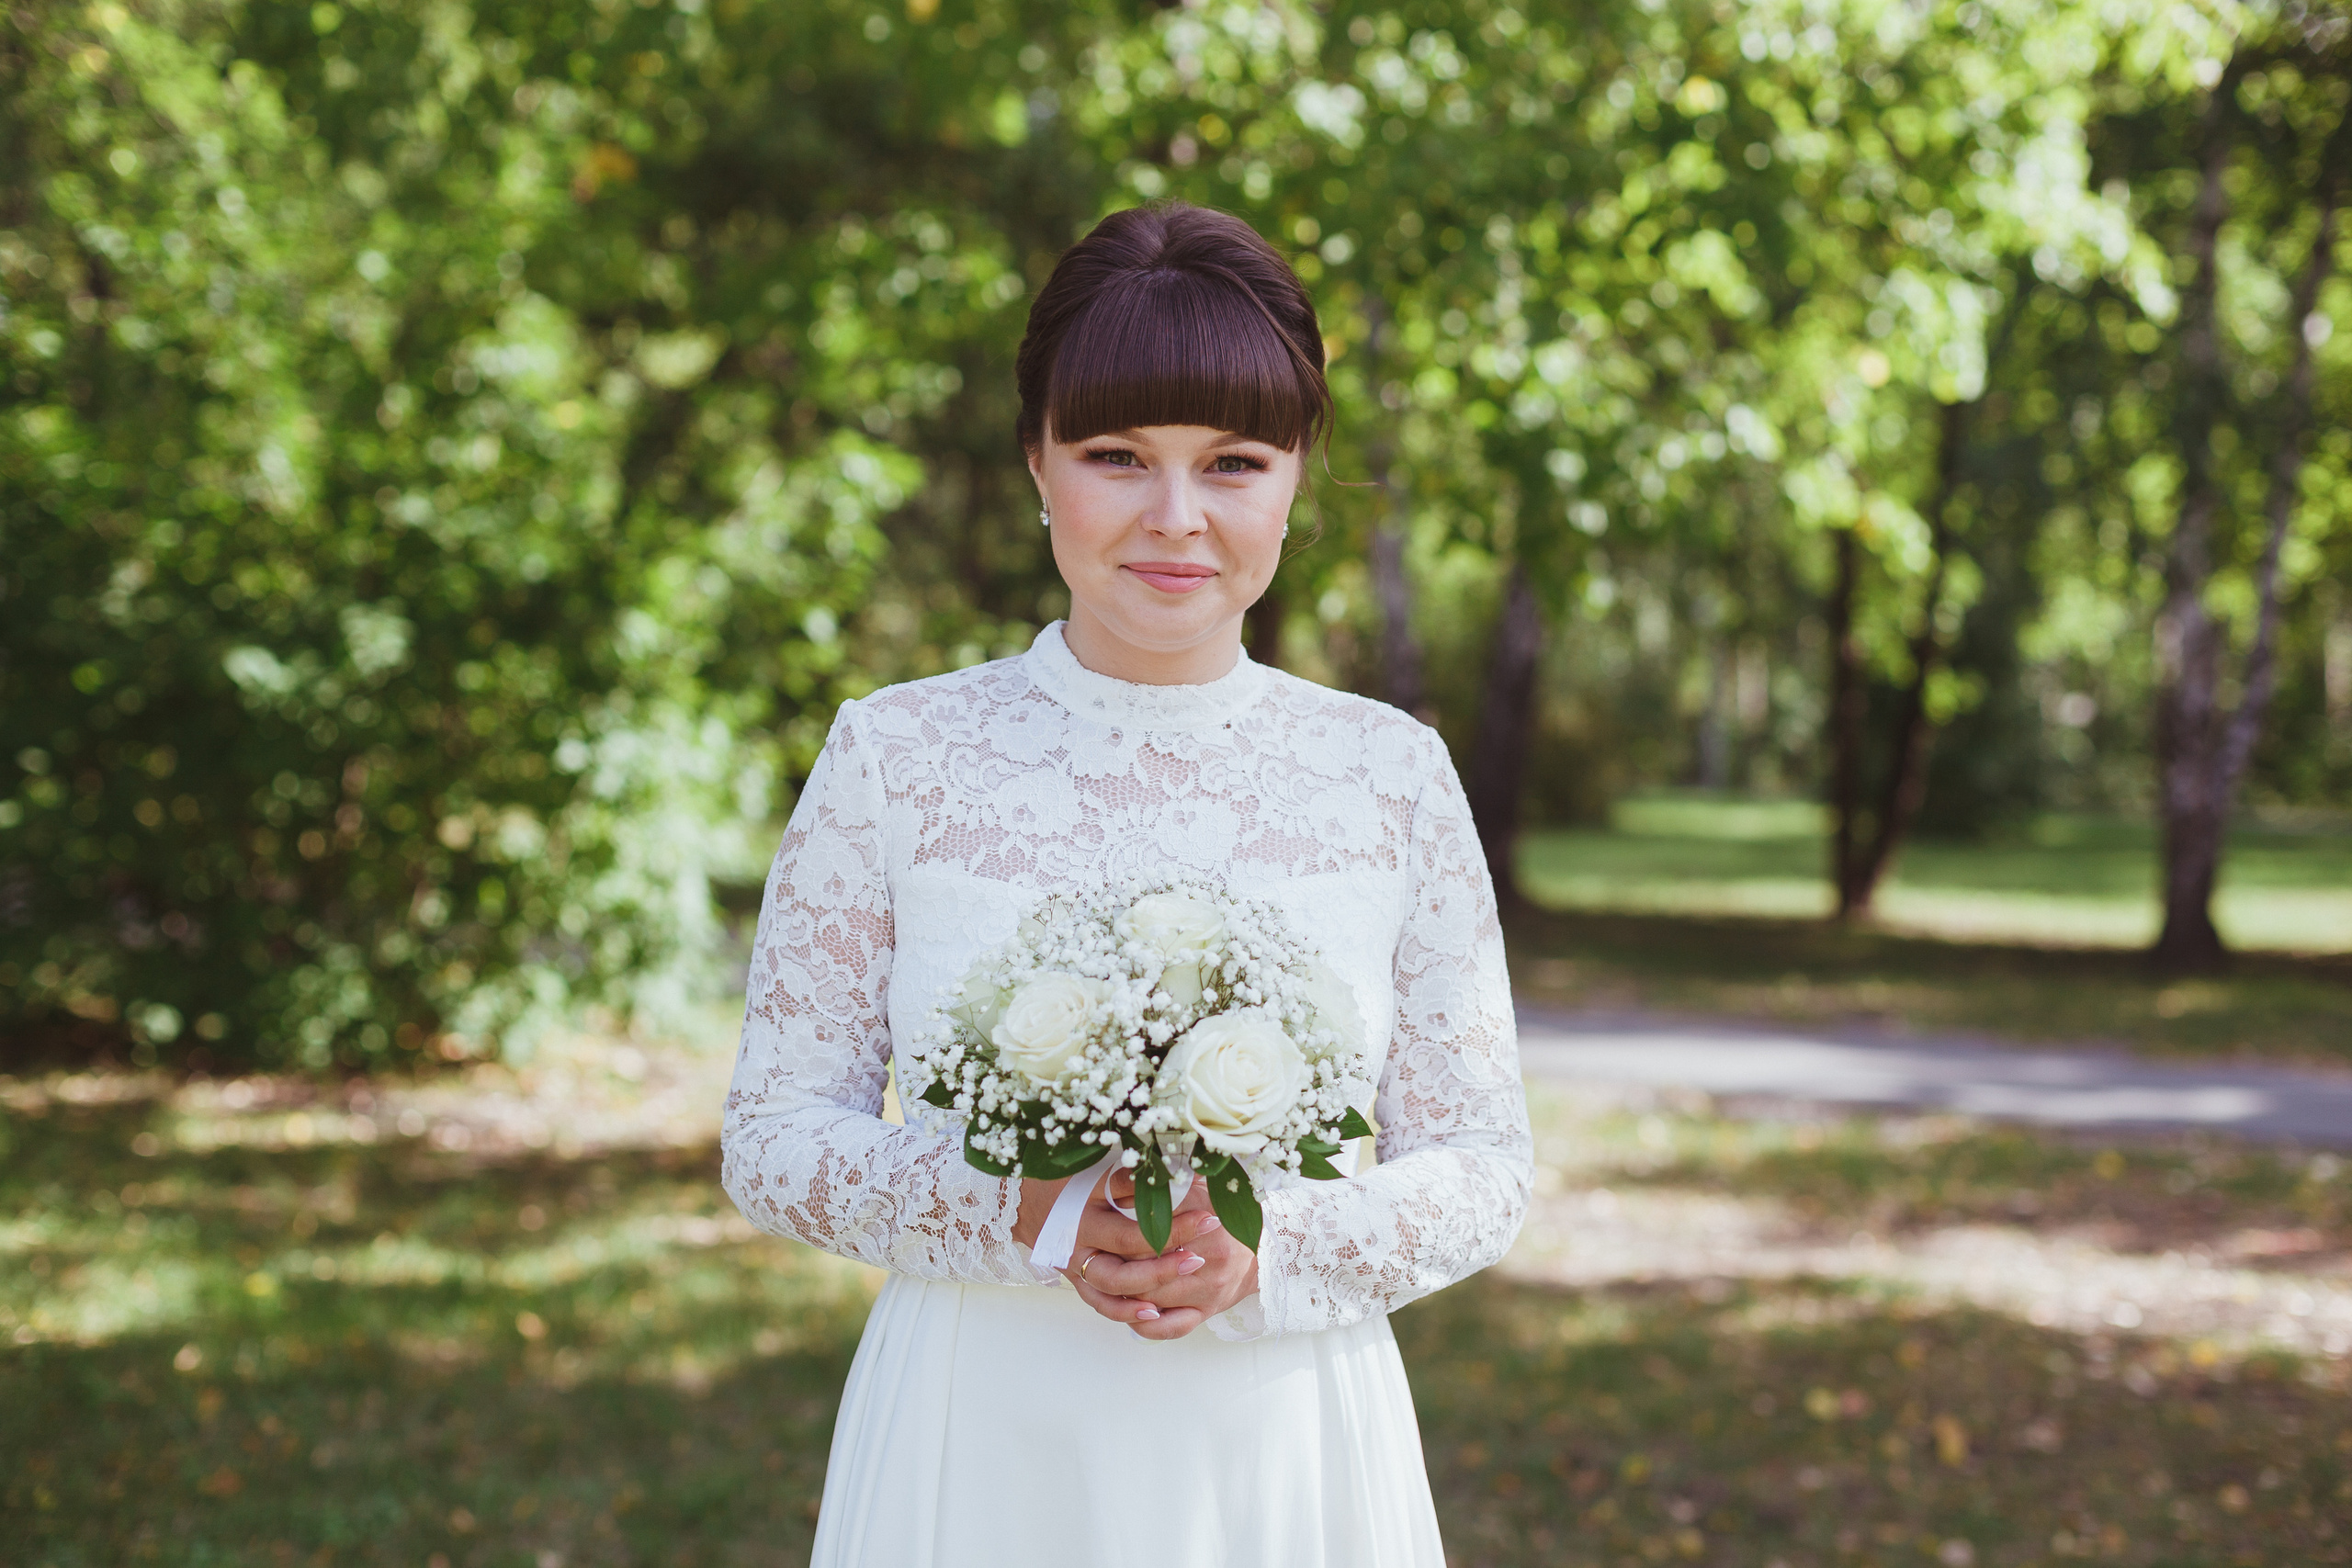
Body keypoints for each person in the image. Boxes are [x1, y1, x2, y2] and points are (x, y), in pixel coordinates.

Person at [720, 201, 1531, 1567]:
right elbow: (774, 1133)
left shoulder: (1389, 774)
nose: (1175, 518)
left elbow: (1485, 1167)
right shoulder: (898, 755)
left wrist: (1268, 1248)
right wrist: (1029, 1212)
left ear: (1294, 476)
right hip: (981, 1431)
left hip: (1287, 1441)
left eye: (1232, 462)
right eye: (1115, 456)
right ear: (1036, 461)